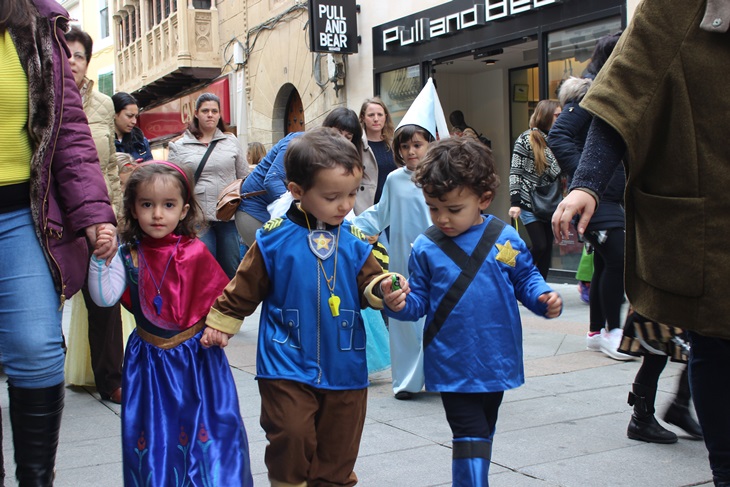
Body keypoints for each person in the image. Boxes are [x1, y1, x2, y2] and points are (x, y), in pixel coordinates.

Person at [552, 0, 730, 483]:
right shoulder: (673, 10)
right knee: (704, 334)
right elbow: (616, 102)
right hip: (694, 222)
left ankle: (650, 399)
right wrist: (585, 182)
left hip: (655, 214)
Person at [206, 127, 390, 486]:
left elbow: (371, 281)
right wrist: (221, 321)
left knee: (339, 446)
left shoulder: (354, 240)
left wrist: (385, 288)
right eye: (333, 196)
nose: (345, 205)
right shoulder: (273, 238)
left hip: (345, 363)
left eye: (352, 194)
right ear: (297, 191)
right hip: (285, 359)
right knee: (291, 434)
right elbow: (244, 286)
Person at [381, 137, 562, 485]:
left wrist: (543, 298)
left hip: (495, 357)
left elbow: (524, 277)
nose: (443, 218)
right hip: (451, 360)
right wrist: (400, 305)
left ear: (483, 199)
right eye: (434, 208)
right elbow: (418, 301)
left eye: (453, 208)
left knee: (484, 429)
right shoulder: (426, 247)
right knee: (469, 431)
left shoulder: (504, 240)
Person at [0, 0, 117, 483]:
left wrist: (94, 214)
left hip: (20, 214)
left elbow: (70, 131)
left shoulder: (37, 25)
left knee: (37, 348)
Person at [88, 161, 253, 486]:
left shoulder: (195, 253)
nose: (157, 214)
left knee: (209, 436)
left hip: (198, 364)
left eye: (168, 205)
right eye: (147, 204)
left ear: (184, 209)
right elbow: (104, 298)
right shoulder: (128, 255)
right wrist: (99, 261)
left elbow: (224, 302)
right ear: (133, 209)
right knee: (155, 440)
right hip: (148, 365)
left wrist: (219, 328)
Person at [353, 78, 448, 400]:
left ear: (431, 144)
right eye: (405, 146)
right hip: (403, 261)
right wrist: (351, 226)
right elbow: (381, 213)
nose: (410, 152)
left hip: (439, 259)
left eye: (417, 145)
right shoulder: (394, 179)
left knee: (439, 316)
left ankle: (439, 375)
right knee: (404, 316)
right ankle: (407, 380)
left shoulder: (443, 178)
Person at [548, 32, 631, 360]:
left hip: (606, 196)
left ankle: (598, 332)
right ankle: (613, 331)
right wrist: (588, 179)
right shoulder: (589, 93)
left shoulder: (602, 90)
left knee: (603, 262)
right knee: (616, 261)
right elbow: (558, 134)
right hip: (600, 197)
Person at [63, 25, 126, 404]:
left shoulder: (103, 105)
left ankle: (111, 378)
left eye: (80, 56)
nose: (72, 62)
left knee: (104, 298)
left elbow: (109, 170)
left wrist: (114, 217)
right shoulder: (40, 95)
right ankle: (40, 372)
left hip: (96, 213)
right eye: (65, 53)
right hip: (52, 215)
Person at [235, 108, 362, 248]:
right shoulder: (301, 143)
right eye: (337, 133)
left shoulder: (337, 158)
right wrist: (298, 213)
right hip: (254, 210)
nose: (341, 139)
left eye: (348, 136)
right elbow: (272, 179)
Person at [168, 92, 249, 278]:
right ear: (196, 114)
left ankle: (229, 306)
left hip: (228, 215)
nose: (210, 114)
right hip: (197, 217)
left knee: (231, 268)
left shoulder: (231, 141)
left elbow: (244, 178)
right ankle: (206, 307)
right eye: (205, 111)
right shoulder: (179, 145)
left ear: (220, 114)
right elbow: (173, 185)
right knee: (204, 268)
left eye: (214, 111)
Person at [619, 310, 702, 444]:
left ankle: (679, 408)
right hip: (654, 303)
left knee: (695, 351)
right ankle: (641, 420)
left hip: (674, 304)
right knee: (655, 358)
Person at [508, 99, 561, 280]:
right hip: (528, 200)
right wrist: (515, 202)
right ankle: (518, 277)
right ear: (546, 116)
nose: (560, 118)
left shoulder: (557, 139)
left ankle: (540, 287)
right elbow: (516, 171)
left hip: (549, 201)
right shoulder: (526, 138)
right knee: (540, 246)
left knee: (547, 249)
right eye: (557, 115)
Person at [358, 97, 396, 210]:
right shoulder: (357, 145)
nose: (376, 119)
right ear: (363, 118)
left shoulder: (395, 144)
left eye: (380, 114)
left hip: (393, 207)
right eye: (371, 115)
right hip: (369, 209)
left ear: (385, 117)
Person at [112, 91, 152, 161]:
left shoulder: (141, 142)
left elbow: (151, 169)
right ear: (114, 114)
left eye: (136, 117)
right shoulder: (102, 141)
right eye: (129, 116)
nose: (134, 121)